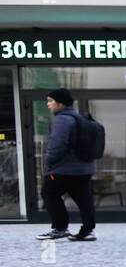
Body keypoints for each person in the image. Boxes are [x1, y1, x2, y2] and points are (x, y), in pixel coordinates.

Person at [37, 88, 96, 242]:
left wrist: (49, 162)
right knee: (84, 199)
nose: (48, 104)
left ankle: (60, 228)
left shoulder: (62, 119)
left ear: (61, 103)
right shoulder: (80, 118)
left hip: (64, 169)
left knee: (49, 193)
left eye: (51, 101)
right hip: (84, 168)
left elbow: (57, 145)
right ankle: (88, 231)